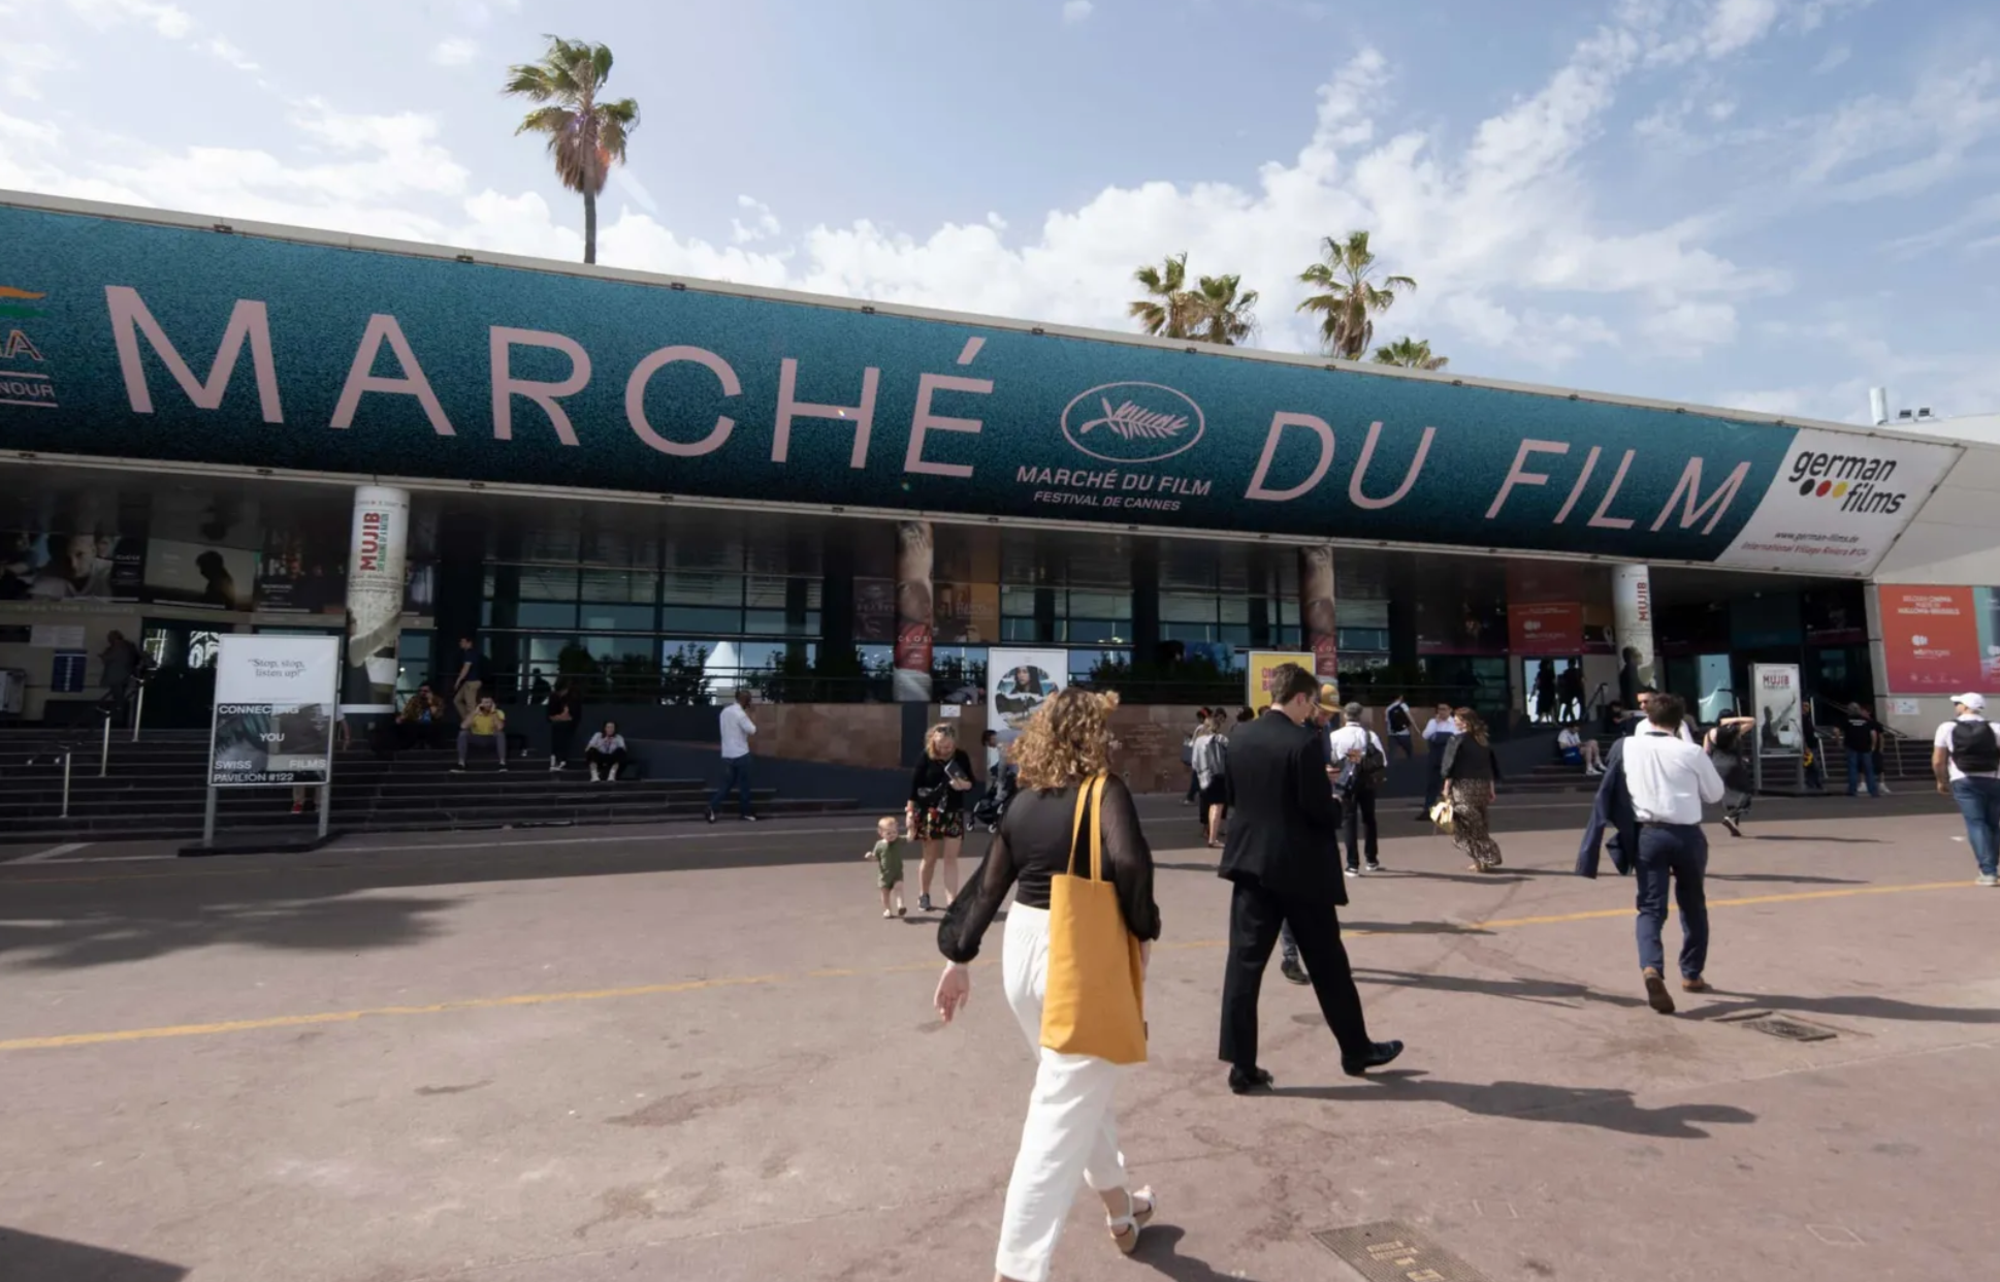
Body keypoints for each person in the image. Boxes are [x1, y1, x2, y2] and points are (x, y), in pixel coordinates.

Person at [933, 687, 1162, 1279]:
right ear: (1090, 734)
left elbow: (989, 885)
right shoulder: (1103, 791)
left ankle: (1120, 1207)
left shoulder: (1025, 802)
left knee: (1078, 1091)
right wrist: (1145, 929)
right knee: (1057, 1113)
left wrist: (958, 958)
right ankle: (1015, 1269)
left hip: (1024, 954)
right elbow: (1131, 862)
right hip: (1078, 956)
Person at [1216, 662, 1403, 1094]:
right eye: (1310, 704)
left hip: (1249, 866)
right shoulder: (1302, 742)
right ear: (1299, 698)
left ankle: (1241, 1066)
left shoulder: (1240, 736)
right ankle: (1355, 1049)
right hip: (1299, 872)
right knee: (1328, 964)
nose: (1311, 712)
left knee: (1243, 969)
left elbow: (1234, 797)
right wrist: (1334, 798)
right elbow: (1319, 813)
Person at [1616, 694, 1725, 1014]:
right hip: (1687, 833)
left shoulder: (1628, 747)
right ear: (1680, 722)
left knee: (1650, 908)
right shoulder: (1690, 751)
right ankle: (1691, 974)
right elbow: (1714, 793)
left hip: (1648, 834)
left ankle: (1651, 967)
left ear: (1647, 717)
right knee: (1693, 904)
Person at [1932, 693, 2000, 887]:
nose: (1955, 706)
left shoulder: (1947, 727)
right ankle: (1991, 866)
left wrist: (1941, 780)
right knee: (1993, 824)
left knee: (1976, 824)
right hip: (1995, 779)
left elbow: (1938, 759)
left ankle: (1988, 872)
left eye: (1957, 703)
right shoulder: (1995, 727)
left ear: (1964, 706)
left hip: (1964, 779)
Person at [907, 723, 976, 912]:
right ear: (933, 741)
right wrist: (910, 814)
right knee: (930, 857)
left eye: (948, 746)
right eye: (940, 746)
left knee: (951, 858)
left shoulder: (961, 756)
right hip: (930, 812)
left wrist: (961, 784)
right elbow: (913, 789)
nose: (944, 750)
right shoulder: (926, 757)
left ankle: (952, 900)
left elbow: (971, 784)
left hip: (953, 811)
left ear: (954, 742)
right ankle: (924, 895)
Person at [1441, 707, 1503, 872]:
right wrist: (1491, 788)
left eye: (1456, 720)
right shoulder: (1483, 741)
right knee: (1480, 821)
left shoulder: (1456, 740)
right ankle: (1484, 859)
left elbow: (1450, 767)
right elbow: (1489, 767)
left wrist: (1446, 788)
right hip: (1481, 787)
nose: (1455, 722)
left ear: (1464, 722)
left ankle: (1483, 858)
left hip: (1463, 787)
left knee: (1466, 825)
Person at [1330, 701, 1385, 875]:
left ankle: (1352, 864)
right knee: (1369, 820)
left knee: (1348, 820)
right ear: (1360, 716)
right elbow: (1382, 761)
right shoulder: (1369, 735)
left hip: (1345, 782)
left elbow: (1330, 758)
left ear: (1344, 715)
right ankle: (1371, 859)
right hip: (1366, 782)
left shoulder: (1335, 735)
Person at [707, 689, 758, 822]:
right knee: (744, 785)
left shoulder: (725, 711)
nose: (750, 702)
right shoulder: (740, 714)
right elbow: (752, 730)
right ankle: (745, 812)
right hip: (741, 754)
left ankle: (712, 807)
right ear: (746, 701)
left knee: (726, 785)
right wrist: (750, 716)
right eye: (749, 700)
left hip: (727, 754)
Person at [1704, 712, 1757, 837]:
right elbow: (1752, 721)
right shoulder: (1734, 732)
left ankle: (1733, 823)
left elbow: (1705, 751)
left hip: (1717, 765)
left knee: (1728, 792)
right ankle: (1730, 817)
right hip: (1733, 765)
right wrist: (1733, 719)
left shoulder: (1709, 733)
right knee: (1745, 792)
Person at [1192, 711, 1231, 849]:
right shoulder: (1220, 739)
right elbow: (1230, 754)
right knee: (1217, 806)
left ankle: (1208, 832)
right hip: (1217, 775)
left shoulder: (1198, 741)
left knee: (1207, 805)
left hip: (1202, 776)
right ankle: (1213, 838)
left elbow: (1194, 762)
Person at [1416, 700, 1457, 820]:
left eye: (1444, 709)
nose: (1441, 712)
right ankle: (1428, 809)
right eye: (1439, 709)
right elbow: (1425, 735)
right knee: (1432, 784)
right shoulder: (1433, 722)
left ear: (1450, 710)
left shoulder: (1454, 722)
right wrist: (1436, 725)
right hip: (1434, 756)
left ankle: (1451, 811)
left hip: (1449, 756)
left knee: (1449, 785)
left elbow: (1457, 736)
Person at [865, 816, 908, 918]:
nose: (892, 835)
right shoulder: (879, 845)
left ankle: (900, 906)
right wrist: (870, 857)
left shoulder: (899, 840)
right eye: (888, 833)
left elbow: (909, 837)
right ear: (881, 833)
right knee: (885, 893)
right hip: (884, 874)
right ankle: (887, 909)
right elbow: (876, 858)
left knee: (899, 887)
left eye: (894, 832)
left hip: (897, 872)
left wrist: (911, 827)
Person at [98, 630, 144, 725]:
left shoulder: (118, 647)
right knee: (120, 695)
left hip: (116, 675)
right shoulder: (128, 646)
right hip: (125, 674)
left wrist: (103, 656)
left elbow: (108, 657)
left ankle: (117, 717)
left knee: (118, 696)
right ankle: (120, 715)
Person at [453, 697, 508, 772]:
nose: (487, 705)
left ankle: (502, 763)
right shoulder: (474, 713)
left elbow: (500, 727)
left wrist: (493, 712)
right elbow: (463, 726)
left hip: (491, 738)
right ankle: (461, 764)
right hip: (477, 738)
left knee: (500, 734)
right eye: (485, 702)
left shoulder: (498, 712)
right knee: (463, 734)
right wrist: (474, 713)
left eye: (489, 702)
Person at [1841, 701, 1883, 797]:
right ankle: (1873, 791)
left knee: (1853, 769)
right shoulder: (1867, 720)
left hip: (1851, 747)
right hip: (1865, 747)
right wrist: (1873, 746)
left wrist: (1838, 740)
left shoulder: (1847, 720)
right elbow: (1873, 734)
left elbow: (1836, 730)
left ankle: (1852, 790)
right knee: (1869, 770)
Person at [397, 684, 447, 750]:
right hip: (417, 722)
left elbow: (437, 715)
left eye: (425, 691)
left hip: (432, 723)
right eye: (420, 691)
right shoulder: (415, 699)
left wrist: (430, 702)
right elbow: (407, 711)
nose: (422, 693)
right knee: (407, 725)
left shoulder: (438, 700)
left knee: (435, 726)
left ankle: (430, 745)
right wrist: (401, 717)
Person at [451, 636, 486, 726]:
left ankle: (475, 724)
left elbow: (466, 668)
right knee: (457, 700)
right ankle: (468, 719)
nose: (461, 643)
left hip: (472, 682)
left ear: (469, 643)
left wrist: (458, 680)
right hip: (469, 682)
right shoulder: (471, 653)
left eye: (463, 641)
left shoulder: (470, 654)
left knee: (471, 705)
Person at [546, 678, 580, 771]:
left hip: (569, 723)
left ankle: (562, 760)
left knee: (563, 731)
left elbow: (571, 716)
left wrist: (562, 717)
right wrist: (560, 717)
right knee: (557, 729)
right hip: (557, 723)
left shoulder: (572, 698)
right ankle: (555, 759)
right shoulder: (553, 697)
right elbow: (550, 716)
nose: (563, 693)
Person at [1182, 707, 1210, 805]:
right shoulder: (1205, 727)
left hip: (1199, 756)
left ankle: (1190, 797)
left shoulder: (1202, 728)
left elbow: (1198, 741)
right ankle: (1194, 796)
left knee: (1196, 777)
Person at [1384, 694, 1413, 759]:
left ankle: (1392, 768)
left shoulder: (1388, 708)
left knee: (1392, 754)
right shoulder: (1403, 705)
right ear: (1400, 697)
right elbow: (1410, 718)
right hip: (1404, 733)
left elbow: (1387, 721)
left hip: (1391, 734)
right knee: (1409, 751)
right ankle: (1410, 765)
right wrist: (1417, 730)